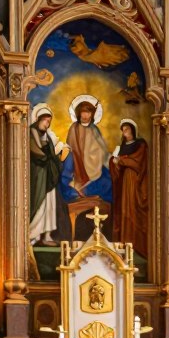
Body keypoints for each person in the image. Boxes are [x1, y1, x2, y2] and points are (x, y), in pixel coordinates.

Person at [109, 118, 149, 259]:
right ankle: (123, 240)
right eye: (123, 130)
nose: (125, 132)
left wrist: (122, 160)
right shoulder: (122, 146)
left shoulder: (140, 144)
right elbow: (116, 167)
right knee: (123, 209)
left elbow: (138, 161)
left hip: (133, 181)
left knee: (132, 209)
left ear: (132, 130)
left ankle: (133, 240)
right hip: (123, 183)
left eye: (127, 129)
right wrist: (114, 162)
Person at [28, 104, 66, 245]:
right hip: (38, 175)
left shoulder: (46, 136)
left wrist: (57, 155)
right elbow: (37, 153)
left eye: (49, 122)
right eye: (45, 121)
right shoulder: (32, 132)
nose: (47, 124)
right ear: (38, 119)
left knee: (50, 205)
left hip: (48, 175)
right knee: (39, 203)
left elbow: (50, 154)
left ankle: (47, 235)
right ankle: (33, 234)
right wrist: (50, 155)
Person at [65, 97, 109, 198]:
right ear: (79, 113)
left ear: (92, 114)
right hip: (77, 163)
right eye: (83, 112)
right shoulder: (74, 128)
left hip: (94, 165)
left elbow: (102, 149)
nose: (85, 115)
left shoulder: (94, 129)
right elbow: (69, 146)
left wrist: (95, 154)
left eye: (88, 112)